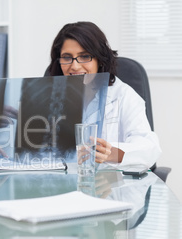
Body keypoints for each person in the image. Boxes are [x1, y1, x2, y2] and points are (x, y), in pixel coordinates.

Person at [45, 21, 161, 168]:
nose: (74, 66)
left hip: (109, 185)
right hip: (61, 183)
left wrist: (113, 153)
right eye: (67, 57)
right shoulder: (50, 96)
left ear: (99, 59)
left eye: (84, 56)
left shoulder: (123, 96)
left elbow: (149, 147)